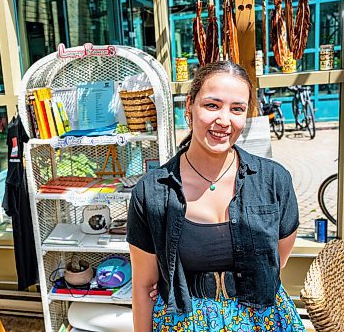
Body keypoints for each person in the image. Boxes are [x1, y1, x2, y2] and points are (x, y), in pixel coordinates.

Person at [127, 61, 305, 331]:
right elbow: (143, 286)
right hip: (185, 322)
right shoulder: (153, 191)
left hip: (263, 319)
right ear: (189, 106)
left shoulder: (274, 180)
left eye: (237, 109)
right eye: (212, 105)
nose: (224, 120)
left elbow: (276, 261)